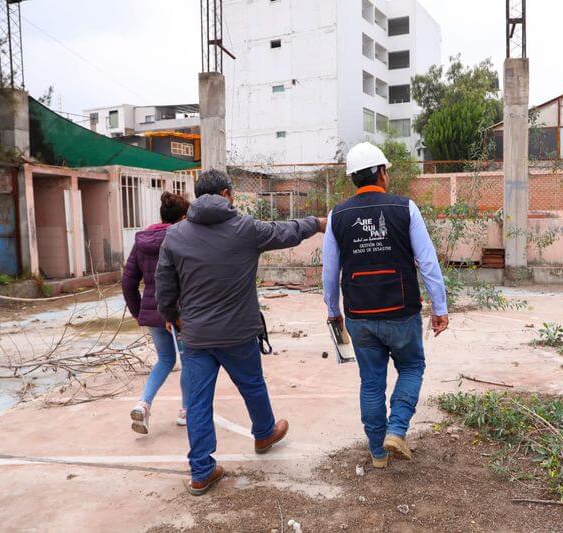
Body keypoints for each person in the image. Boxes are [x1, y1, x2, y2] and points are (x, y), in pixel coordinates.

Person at [155, 168, 326, 496]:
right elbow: (285, 231)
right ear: (225, 194)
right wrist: (316, 223)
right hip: (238, 333)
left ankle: (202, 471)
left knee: (198, 402)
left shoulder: (175, 235)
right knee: (252, 385)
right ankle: (264, 433)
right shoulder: (245, 228)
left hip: (196, 336)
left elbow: (164, 286)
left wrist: (173, 317)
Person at [322, 142, 448, 469]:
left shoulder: (338, 215)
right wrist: (440, 307)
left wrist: (333, 312)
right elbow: (428, 263)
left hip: (359, 316)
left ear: (353, 178)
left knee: (371, 382)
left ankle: (378, 453)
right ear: (381, 173)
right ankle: (397, 429)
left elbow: (329, 273)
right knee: (411, 367)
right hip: (401, 311)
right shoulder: (405, 208)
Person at [122, 191, 190, 434]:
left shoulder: (141, 241)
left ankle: (144, 403)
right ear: (182, 217)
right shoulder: (181, 239)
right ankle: (186, 410)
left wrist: (140, 312)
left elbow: (128, 282)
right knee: (189, 361)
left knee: (165, 360)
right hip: (180, 313)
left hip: (153, 311)